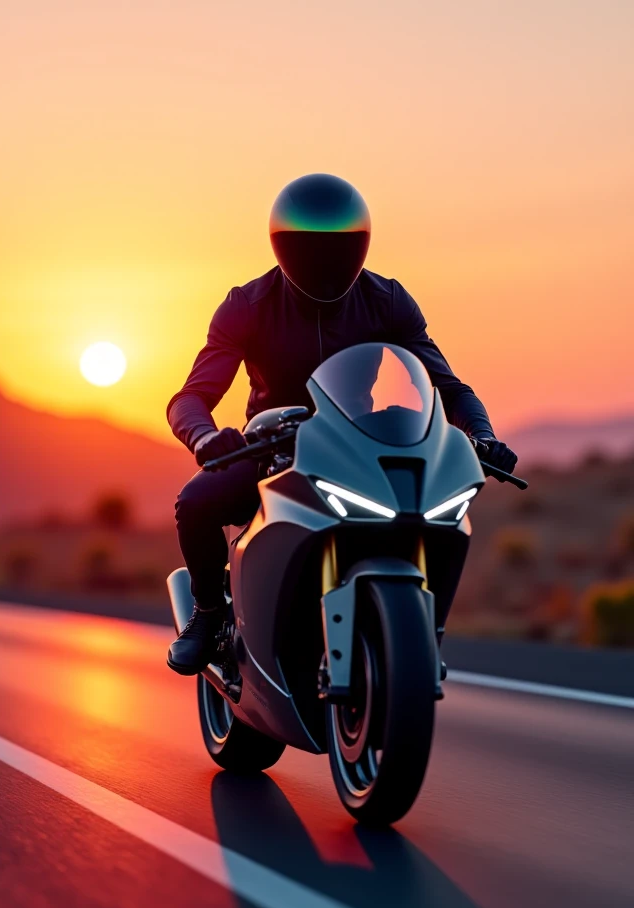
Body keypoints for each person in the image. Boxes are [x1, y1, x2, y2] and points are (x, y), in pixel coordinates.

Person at [166, 173, 517, 674]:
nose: (324, 260)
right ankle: (207, 613)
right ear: (284, 247)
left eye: (338, 247)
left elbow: (448, 386)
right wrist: (205, 438)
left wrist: (480, 434)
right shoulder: (247, 305)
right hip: (271, 449)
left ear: (361, 245)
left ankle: (415, 631)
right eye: (310, 248)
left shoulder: (388, 300)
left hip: (359, 447)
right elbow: (191, 396)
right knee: (196, 503)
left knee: (431, 511)